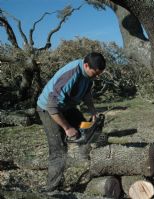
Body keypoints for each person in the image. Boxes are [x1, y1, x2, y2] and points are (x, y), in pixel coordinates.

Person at [37, 52, 106, 192]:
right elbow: (52, 106)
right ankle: (52, 188)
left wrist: (93, 111)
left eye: (99, 74)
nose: (96, 76)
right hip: (49, 110)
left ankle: (87, 160)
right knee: (59, 151)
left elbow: (86, 93)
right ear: (86, 65)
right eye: (95, 73)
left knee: (87, 129)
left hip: (67, 106)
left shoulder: (88, 74)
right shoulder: (71, 75)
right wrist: (67, 128)